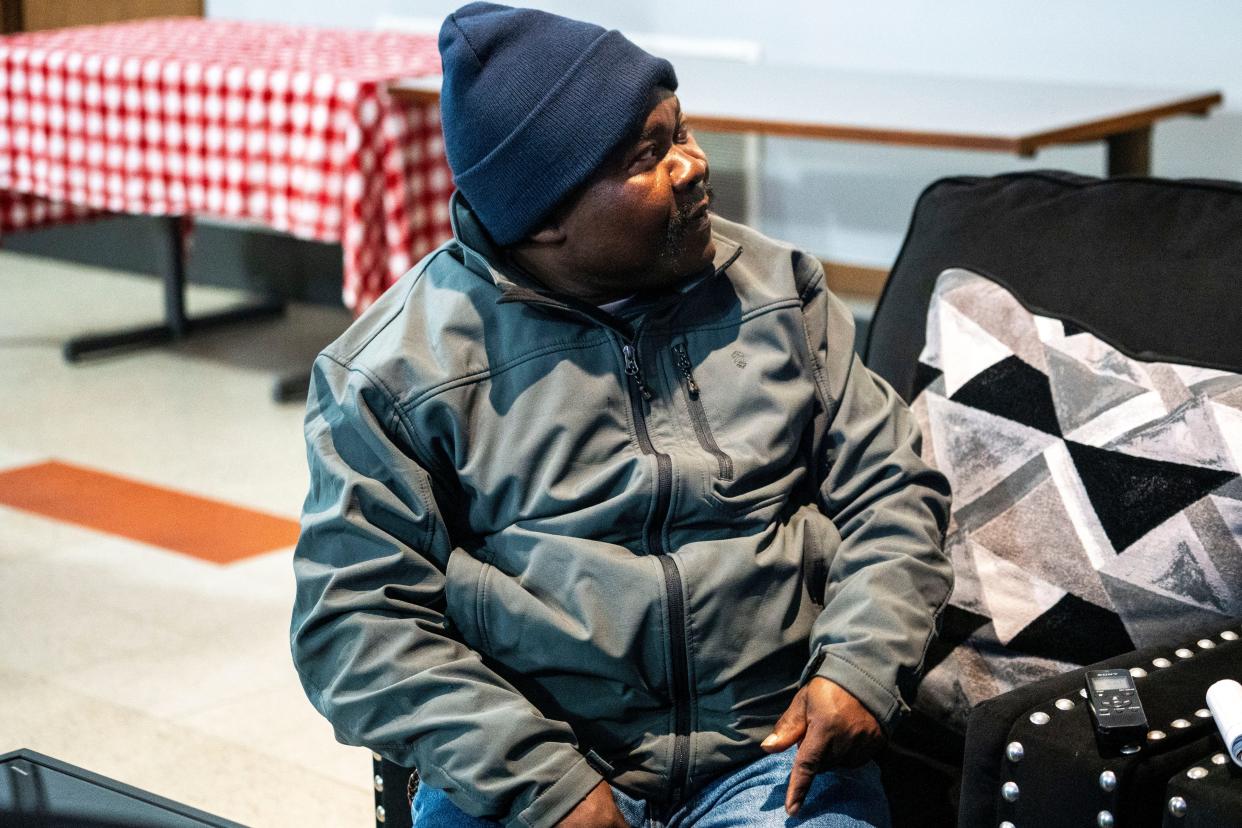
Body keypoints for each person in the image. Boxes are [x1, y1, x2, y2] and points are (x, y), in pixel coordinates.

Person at [290, 4, 952, 827]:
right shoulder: (395, 373)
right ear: (545, 216)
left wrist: (860, 666)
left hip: (768, 756)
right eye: (651, 154)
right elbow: (353, 622)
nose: (694, 166)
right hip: (528, 775)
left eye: (682, 131)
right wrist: (543, 784)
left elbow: (895, 492)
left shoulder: (781, 293)